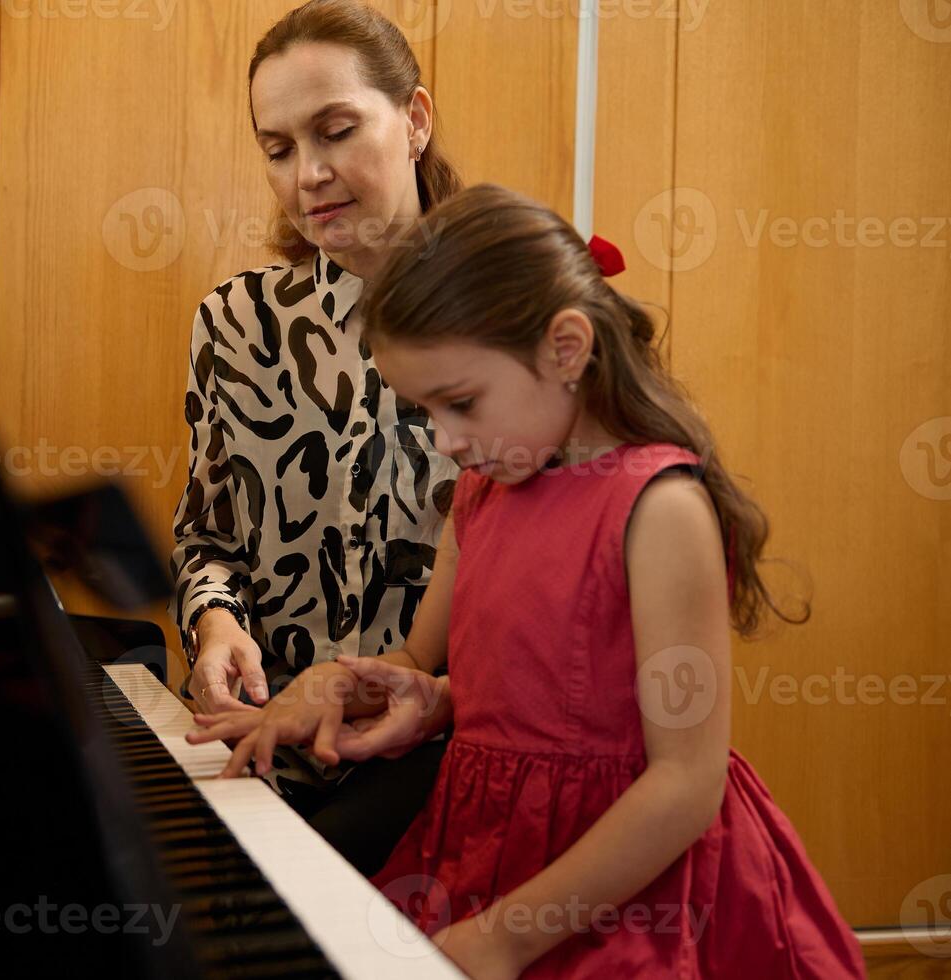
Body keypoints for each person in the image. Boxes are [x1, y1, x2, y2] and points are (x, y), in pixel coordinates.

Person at [189, 184, 867, 978]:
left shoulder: (659, 510)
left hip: (625, 885)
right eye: (424, 413)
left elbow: (686, 782)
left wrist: (509, 935)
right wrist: (360, 689)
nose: (444, 441)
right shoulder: (480, 493)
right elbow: (424, 660)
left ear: (565, 348)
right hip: (483, 848)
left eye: (461, 403)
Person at [168, 0, 460, 873]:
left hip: (446, 746)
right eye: (278, 148)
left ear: (413, 120)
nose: (308, 175)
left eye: (335, 131)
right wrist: (216, 627)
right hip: (277, 741)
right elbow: (209, 538)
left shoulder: (505, 310)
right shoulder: (238, 320)